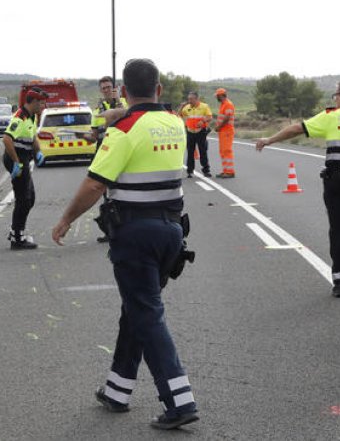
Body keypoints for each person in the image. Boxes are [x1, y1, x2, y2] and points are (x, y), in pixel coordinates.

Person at [53, 58, 200, 431]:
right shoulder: (175, 122)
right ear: (160, 90)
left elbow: (94, 184)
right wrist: (124, 109)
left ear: (122, 90)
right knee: (136, 309)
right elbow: (143, 112)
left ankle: (179, 400)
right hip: (172, 232)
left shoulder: (124, 130)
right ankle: (118, 390)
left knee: (146, 312)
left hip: (136, 234)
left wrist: (67, 218)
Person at [255, 79, 340, 297]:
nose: (335, 99)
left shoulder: (331, 116)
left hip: (336, 182)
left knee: (338, 229)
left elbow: (296, 129)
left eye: (336, 95)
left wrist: (269, 139)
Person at [2, 88, 47, 250]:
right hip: (16, 158)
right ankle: (17, 238)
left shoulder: (32, 117)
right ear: (32, 102)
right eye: (41, 102)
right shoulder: (20, 118)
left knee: (30, 198)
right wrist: (16, 162)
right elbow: (6, 139)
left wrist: (38, 152)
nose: (43, 105)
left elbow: (33, 136)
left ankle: (16, 230)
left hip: (25, 157)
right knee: (24, 199)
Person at [89, 75, 128, 243]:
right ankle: (109, 230)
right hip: (103, 150)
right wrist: (85, 137)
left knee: (123, 189)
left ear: (115, 88)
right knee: (105, 192)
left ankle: (128, 227)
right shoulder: (97, 110)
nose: (106, 91)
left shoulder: (125, 104)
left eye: (108, 87)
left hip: (121, 151)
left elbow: (128, 117)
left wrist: (117, 100)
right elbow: (94, 135)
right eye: (103, 88)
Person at [178, 91, 212, 178]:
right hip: (190, 132)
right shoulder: (187, 107)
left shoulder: (204, 106)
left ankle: (206, 170)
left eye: (191, 99)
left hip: (201, 132)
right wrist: (181, 107)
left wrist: (203, 121)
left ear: (197, 99)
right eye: (188, 99)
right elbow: (179, 115)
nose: (189, 101)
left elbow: (209, 117)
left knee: (202, 151)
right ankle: (190, 171)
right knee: (190, 152)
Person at [214, 88, 237, 178]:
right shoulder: (224, 104)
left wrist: (218, 127)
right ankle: (225, 170)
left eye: (217, 96)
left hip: (227, 131)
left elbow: (227, 118)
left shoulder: (228, 104)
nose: (216, 98)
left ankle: (230, 171)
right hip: (223, 131)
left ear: (221, 95)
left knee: (227, 151)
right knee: (223, 151)